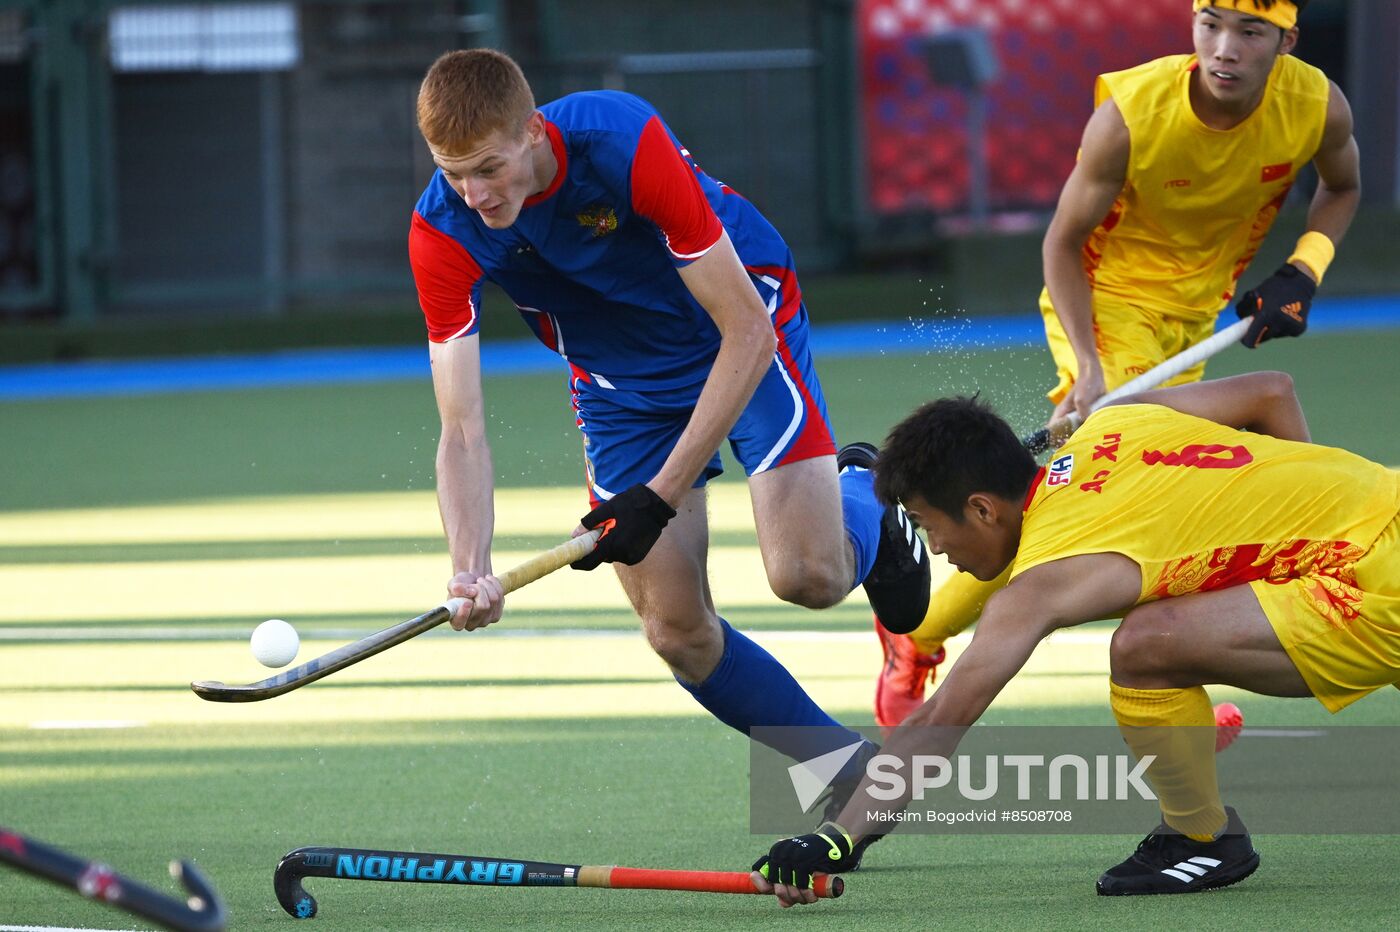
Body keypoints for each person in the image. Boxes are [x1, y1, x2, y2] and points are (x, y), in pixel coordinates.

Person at [407, 49, 930, 863]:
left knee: (810, 578)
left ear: (531, 130)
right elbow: (463, 427)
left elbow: (745, 333)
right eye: (453, 173)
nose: (475, 194)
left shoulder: (621, 142)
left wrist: (658, 494)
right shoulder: (443, 226)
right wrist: (469, 566)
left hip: (738, 325)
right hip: (620, 385)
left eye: (487, 168)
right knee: (676, 631)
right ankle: (848, 770)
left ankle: (868, 491)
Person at [872, 0, 1362, 731]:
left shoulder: (1316, 106)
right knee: (1095, 516)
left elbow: (1342, 187)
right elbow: (1061, 246)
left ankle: (929, 634)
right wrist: (1093, 369)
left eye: (1250, 33)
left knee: (1158, 498)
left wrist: (1304, 269)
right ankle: (923, 636)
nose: (1224, 49)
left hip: (1197, 322)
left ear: (1286, 40)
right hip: (1106, 310)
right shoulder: (1131, 112)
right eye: (1210, 26)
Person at [752, 371, 1400, 903]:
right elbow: (1273, 391)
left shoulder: (1045, 577)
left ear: (982, 508)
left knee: (1144, 647)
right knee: (1156, 630)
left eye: (927, 526)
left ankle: (1202, 839)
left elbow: (941, 718)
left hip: (1373, 587)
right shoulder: (1117, 420)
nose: (937, 549)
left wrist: (839, 837)